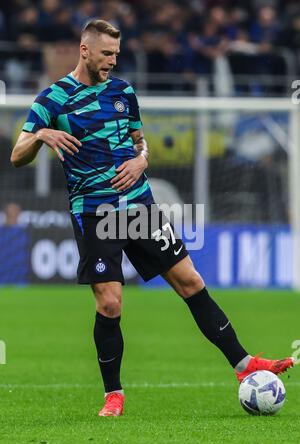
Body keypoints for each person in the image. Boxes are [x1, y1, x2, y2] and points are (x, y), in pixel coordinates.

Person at [11, 19, 294, 417]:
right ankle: (114, 394)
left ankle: (244, 364)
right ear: (85, 49)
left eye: (116, 54)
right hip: (95, 212)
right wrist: (41, 136)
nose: (112, 61)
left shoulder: (124, 92)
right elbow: (16, 154)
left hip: (140, 206)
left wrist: (139, 161)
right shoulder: (53, 99)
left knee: (190, 281)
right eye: (106, 54)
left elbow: (141, 145)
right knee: (110, 303)